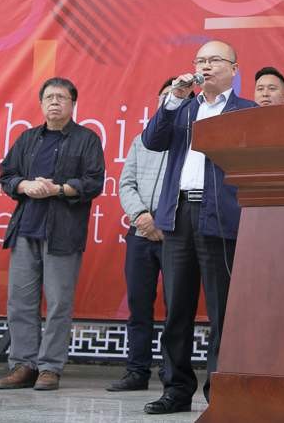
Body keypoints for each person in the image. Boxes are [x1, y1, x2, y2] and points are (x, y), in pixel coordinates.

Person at [141, 40, 257, 415]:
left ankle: (221, 392)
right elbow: (152, 140)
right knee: (177, 308)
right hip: (179, 216)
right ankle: (176, 389)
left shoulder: (246, 111)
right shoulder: (183, 108)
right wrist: (173, 99)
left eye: (215, 60)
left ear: (234, 69)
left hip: (220, 215)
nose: (206, 66)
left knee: (223, 311)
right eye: (200, 60)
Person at [0, 77, 105, 392]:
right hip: (26, 229)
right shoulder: (28, 138)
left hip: (63, 233)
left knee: (58, 303)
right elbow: (6, 175)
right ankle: (23, 364)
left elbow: (93, 182)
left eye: (61, 97)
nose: (55, 102)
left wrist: (58, 189)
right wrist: (24, 185)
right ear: (41, 104)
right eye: (49, 98)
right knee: (20, 302)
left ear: (73, 104)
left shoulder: (87, 139)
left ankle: (50, 368)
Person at [107, 77, 178, 392]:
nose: (169, 101)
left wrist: (164, 220)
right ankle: (136, 372)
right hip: (140, 232)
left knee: (176, 307)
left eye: (175, 97)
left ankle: (172, 373)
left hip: (175, 234)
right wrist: (141, 217)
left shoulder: (192, 141)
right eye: (165, 96)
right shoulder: (141, 140)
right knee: (139, 305)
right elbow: (126, 184)